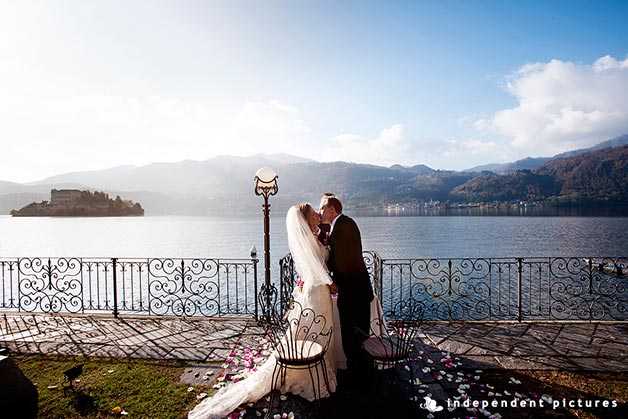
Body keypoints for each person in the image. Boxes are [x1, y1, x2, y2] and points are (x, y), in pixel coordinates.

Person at [188, 203, 336, 419]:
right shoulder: (308, 239)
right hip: (318, 292)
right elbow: (317, 268)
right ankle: (306, 372)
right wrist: (332, 285)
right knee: (316, 331)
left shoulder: (312, 236)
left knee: (313, 331)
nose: (316, 215)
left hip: (315, 291)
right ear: (305, 219)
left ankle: (312, 364)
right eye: (312, 213)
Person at [319, 194, 375, 385]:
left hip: (353, 293)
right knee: (358, 336)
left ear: (331, 209)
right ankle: (362, 373)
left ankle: (358, 378)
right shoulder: (342, 224)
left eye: (321, 208)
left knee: (353, 338)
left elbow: (343, 265)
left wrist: (333, 283)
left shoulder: (341, 228)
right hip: (358, 290)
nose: (320, 212)